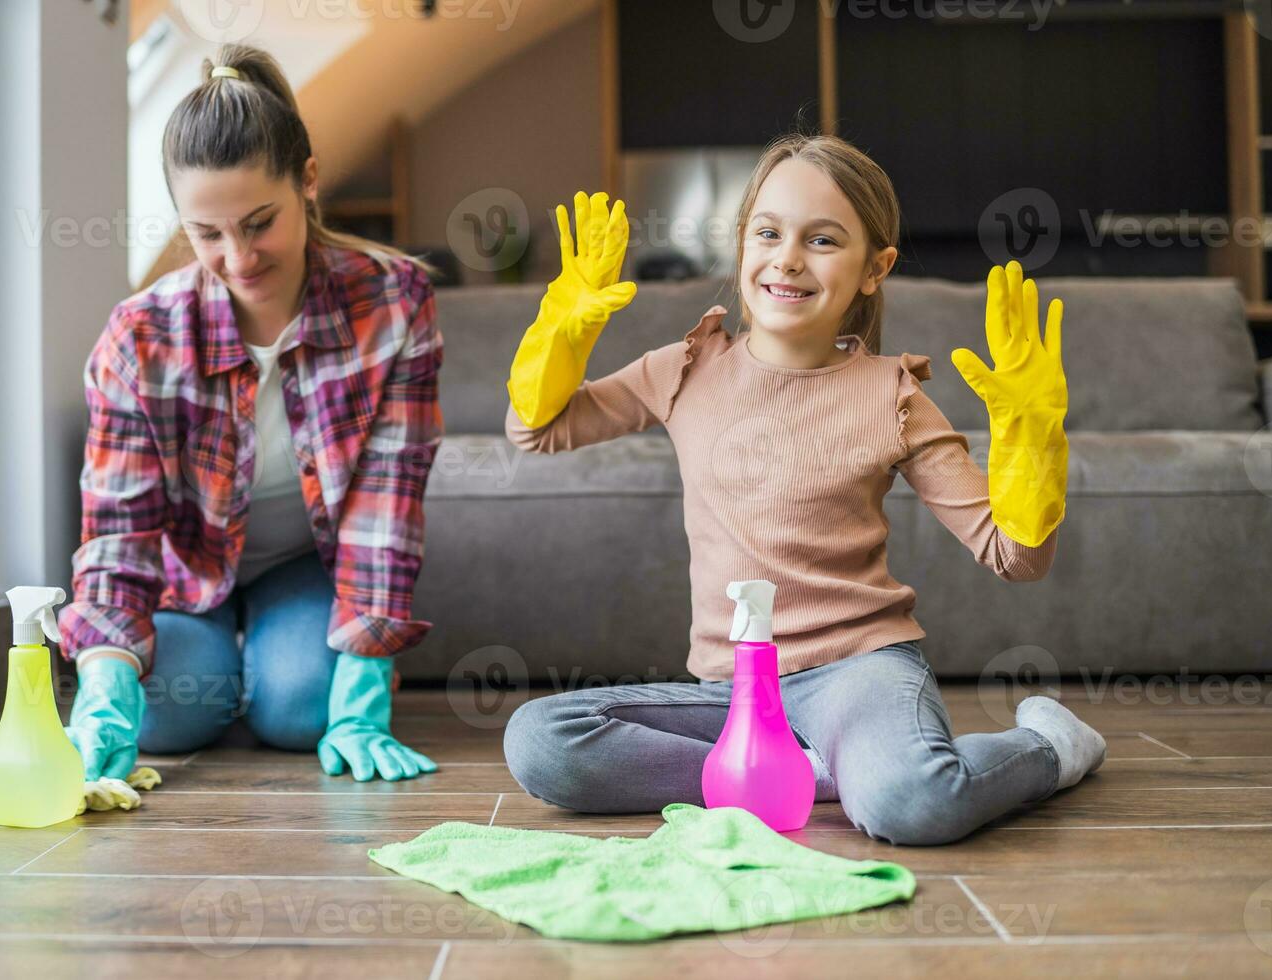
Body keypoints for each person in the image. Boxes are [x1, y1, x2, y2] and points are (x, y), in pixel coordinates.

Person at [501, 133, 1106, 845]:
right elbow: (536, 430)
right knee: (541, 739)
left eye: (822, 240)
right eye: (768, 232)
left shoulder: (894, 396)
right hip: (733, 692)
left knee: (916, 802)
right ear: (742, 244)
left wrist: (1032, 438)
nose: (787, 258)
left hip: (859, 673)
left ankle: (1049, 746)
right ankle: (819, 775)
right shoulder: (685, 368)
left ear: (875, 269)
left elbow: (1017, 557)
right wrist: (564, 330)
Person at [59, 43, 442, 789]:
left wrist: (364, 671)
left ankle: (269, 667)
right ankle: (231, 667)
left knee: (301, 710)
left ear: (307, 181)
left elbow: (384, 509)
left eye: (259, 222)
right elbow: (118, 531)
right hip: (188, 569)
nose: (237, 258)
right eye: (207, 234)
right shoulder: (138, 338)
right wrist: (106, 674)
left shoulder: (395, 304)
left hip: (308, 564)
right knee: (162, 719)